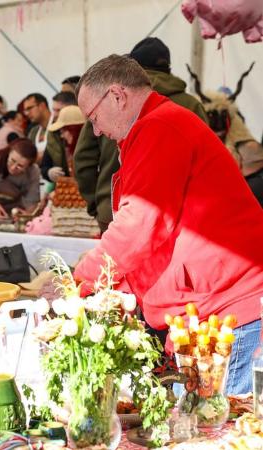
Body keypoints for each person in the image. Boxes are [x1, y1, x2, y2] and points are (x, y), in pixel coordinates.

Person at [73, 54, 263, 395]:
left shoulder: (159, 127)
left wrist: (78, 281)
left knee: (219, 435)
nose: (96, 129)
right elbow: (157, 232)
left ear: (116, 95)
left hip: (227, 310)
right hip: (211, 308)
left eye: (93, 117)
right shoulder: (155, 127)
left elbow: (139, 227)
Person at [74, 37, 207, 232]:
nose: (98, 130)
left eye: (95, 120)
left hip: (129, 214)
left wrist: (99, 202)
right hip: (179, 218)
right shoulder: (190, 105)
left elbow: (83, 160)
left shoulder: (116, 104)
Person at [41, 91, 77, 183]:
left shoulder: (89, 132)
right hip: (65, 188)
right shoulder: (53, 133)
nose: (55, 114)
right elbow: (44, 166)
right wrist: (49, 173)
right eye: (53, 110)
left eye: (59, 110)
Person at [45, 105, 85, 179]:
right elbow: (44, 166)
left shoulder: (93, 148)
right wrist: (49, 172)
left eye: (64, 131)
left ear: (75, 130)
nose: (61, 136)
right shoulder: (59, 142)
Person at [22, 93, 51, 159]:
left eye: (29, 108)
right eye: (25, 110)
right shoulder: (33, 131)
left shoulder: (58, 126)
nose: (27, 113)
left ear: (42, 106)